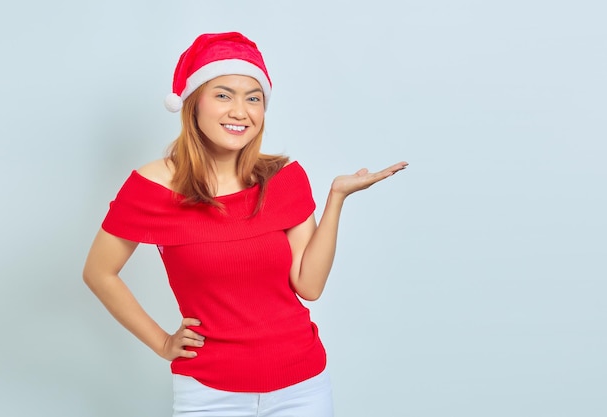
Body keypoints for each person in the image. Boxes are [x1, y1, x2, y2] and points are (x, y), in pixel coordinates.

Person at [83, 31, 407, 417]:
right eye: (223, 94)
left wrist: (336, 198)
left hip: (302, 386)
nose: (241, 111)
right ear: (193, 103)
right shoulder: (152, 187)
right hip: (208, 393)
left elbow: (310, 285)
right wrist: (162, 342)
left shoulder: (284, 177)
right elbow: (99, 272)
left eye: (253, 98)